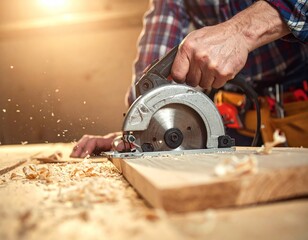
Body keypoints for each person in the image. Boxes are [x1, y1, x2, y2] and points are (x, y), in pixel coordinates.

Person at [70, 0, 308, 158]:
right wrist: (136, 134)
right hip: (237, 118)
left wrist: (241, 32)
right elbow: (155, 60)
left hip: (300, 100)